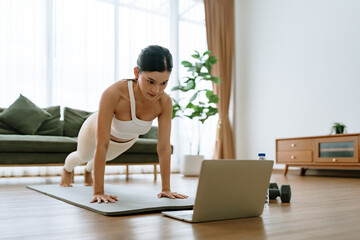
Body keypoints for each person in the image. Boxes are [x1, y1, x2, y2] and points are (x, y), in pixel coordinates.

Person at [60, 45, 188, 203]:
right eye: (151, 81)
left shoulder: (165, 102)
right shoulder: (114, 94)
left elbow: (163, 147)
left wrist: (166, 189)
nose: (156, 90)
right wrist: (99, 191)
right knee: (82, 156)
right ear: (136, 72)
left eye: (163, 83)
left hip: (126, 141)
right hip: (93, 132)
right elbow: (101, 144)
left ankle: (88, 171)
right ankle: (67, 169)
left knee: (101, 160)